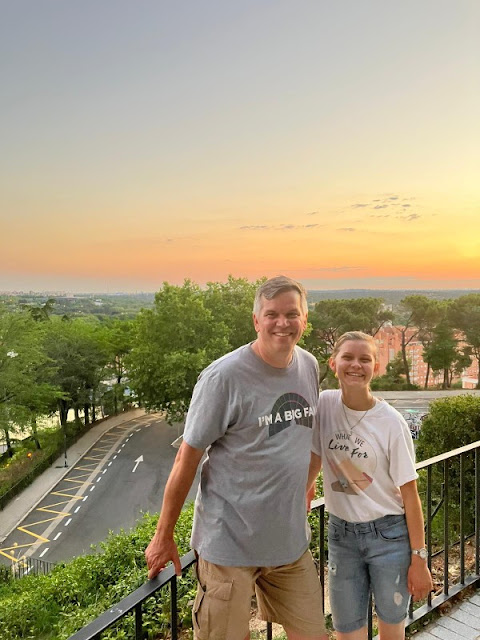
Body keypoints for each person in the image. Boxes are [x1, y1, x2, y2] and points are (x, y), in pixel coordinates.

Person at [145, 276, 328, 640]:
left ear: (304, 320)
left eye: (292, 314)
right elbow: (186, 459)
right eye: (271, 314)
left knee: (314, 634)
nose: (282, 323)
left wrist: (306, 484)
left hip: (288, 543)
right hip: (228, 545)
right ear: (256, 321)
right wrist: (163, 535)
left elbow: (305, 435)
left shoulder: (308, 365)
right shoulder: (223, 377)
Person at [307, 331, 433, 640]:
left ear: (375, 367)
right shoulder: (325, 404)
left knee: (391, 628)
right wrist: (301, 495)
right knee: (346, 629)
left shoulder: (391, 422)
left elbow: (410, 494)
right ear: (333, 363)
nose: (356, 365)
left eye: (365, 359)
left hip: (388, 536)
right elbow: (315, 456)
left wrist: (419, 558)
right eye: (348, 357)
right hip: (341, 537)